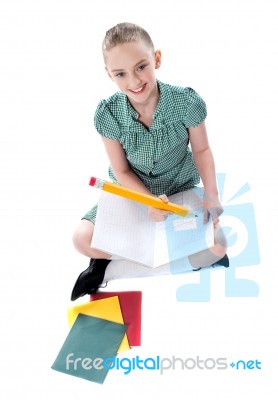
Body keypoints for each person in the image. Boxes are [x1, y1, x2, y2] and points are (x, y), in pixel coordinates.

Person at [71, 22, 228, 301]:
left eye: (141, 67)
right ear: (109, 74)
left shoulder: (186, 102)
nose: (134, 81)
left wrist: (212, 195)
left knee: (220, 246)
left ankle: (109, 271)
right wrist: (149, 203)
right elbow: (121, 170)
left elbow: (202, 151)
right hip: (132, 196)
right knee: (81, 238)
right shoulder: (108, 114)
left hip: (179, 191)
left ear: (156, 59)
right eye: (120, 74)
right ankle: (149, 254)